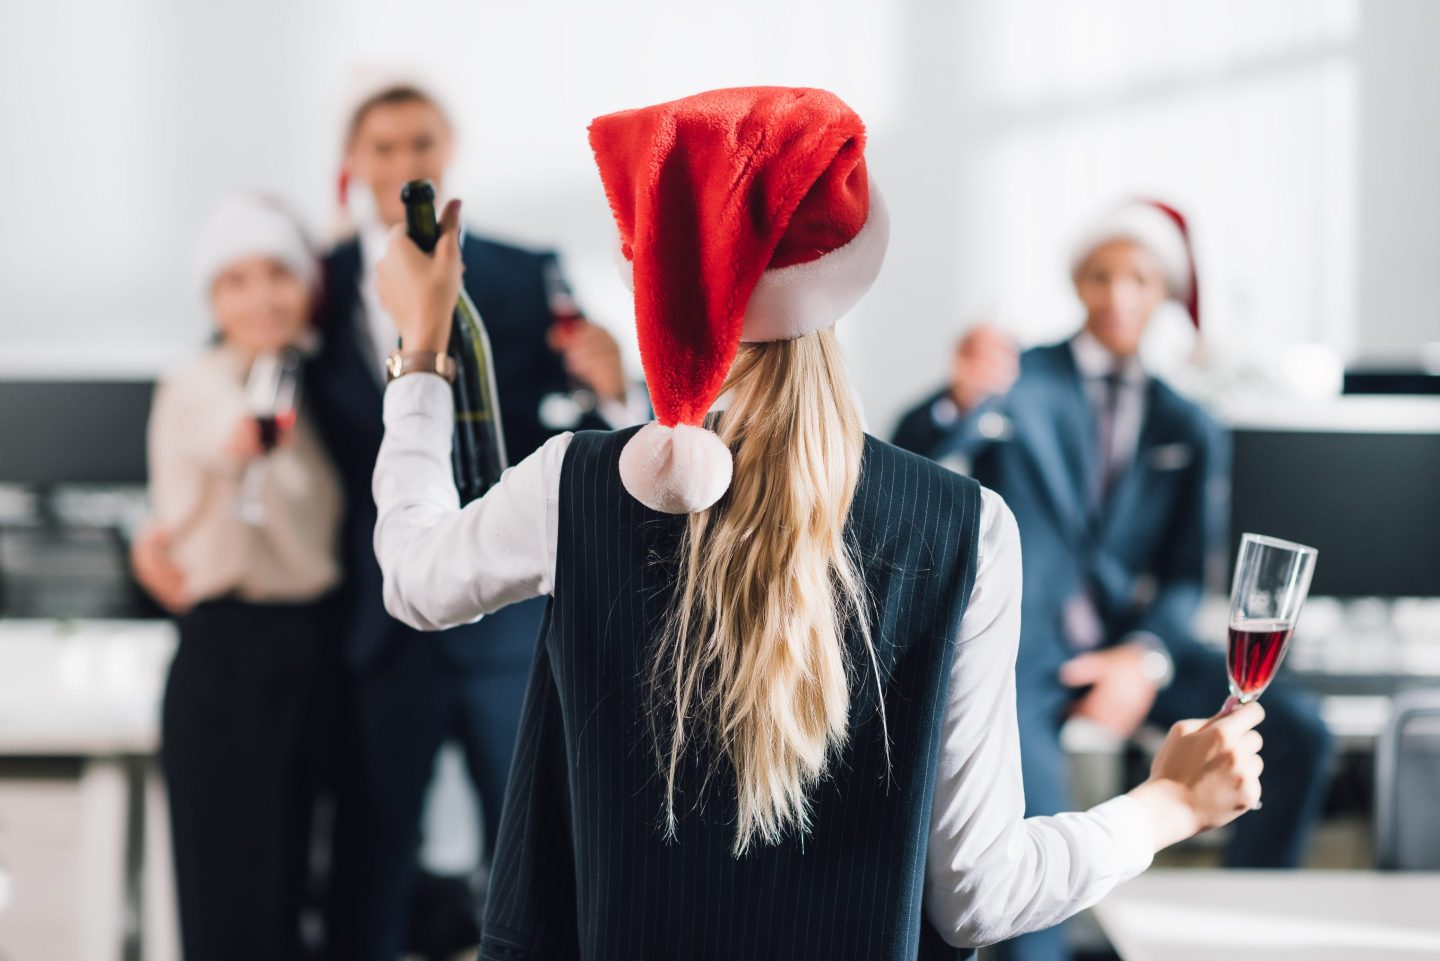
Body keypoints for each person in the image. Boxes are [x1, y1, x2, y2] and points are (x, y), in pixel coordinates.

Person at [369, 87, 1267, 961]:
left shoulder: (578, 484)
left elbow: (415, 578)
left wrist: (420, 346)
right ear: (847, 262)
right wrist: (1167, 805)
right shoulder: (968, 527)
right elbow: (982, 895)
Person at [133, 81, 643, 959]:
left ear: (446, 149)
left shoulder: (526, 271)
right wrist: (157, 525)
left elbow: (586, 425)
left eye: (420, 144)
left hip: (507, 625)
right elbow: (227, 392)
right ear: (353, 164)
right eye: (383, 147)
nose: (404, 163)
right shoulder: (309, 285)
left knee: (544, 867)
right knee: (365, 880)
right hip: (370, 637)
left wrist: (613, 384)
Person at [892, 201, 1333, 961]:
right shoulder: (1016, 378)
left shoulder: (1187, 422)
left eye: (1140, 277)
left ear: (1165, 290)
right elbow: (914, 457)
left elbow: (1186, 575)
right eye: (1102, 275)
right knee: (1027, 835)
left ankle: (1247, 928)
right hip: (1023, 657)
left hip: (1131, 647)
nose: (1120, 295)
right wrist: (956, 399)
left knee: (1296, 734)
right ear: (1078, 282)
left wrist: (1145, 658)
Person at [147, 195, 341, 961]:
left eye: (277, 276)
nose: (261, 297)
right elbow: (236, 433)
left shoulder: (316, 384)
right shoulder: (201, 383)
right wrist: (256, 432)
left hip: (313, 649)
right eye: (235, 281)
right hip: (230, 652)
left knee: (296, 889)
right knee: (231, 903)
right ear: (211, 298)